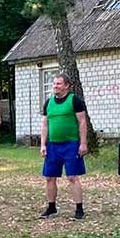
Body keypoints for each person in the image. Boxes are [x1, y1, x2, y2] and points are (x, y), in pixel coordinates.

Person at [39, 73, 88, 220]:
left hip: (71, 144)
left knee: (72, 176)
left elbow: (82, 123)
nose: (55, 86)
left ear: (67, 85)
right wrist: (43, 144)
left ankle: (79, 209)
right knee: (49, 177)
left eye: (58, 84)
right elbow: (45, 124)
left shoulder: (75, 100)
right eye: (54, 84)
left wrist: (83, 143)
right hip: (53, 145)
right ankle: (51, 207)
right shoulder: (48, 103)